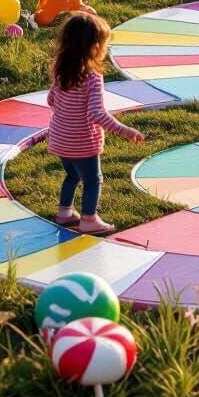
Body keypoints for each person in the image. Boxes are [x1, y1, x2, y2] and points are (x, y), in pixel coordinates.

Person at [47, 12, 144, 233]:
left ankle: (65, 213)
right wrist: (124, 130)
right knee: (93, 180)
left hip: (59, 138)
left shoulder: (61, 69)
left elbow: (51, 99)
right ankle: (89, 220)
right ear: (94, 47)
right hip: (82, 142)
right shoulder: (92, 76)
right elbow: (96, 114)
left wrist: (67, 116)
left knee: (72, 175)